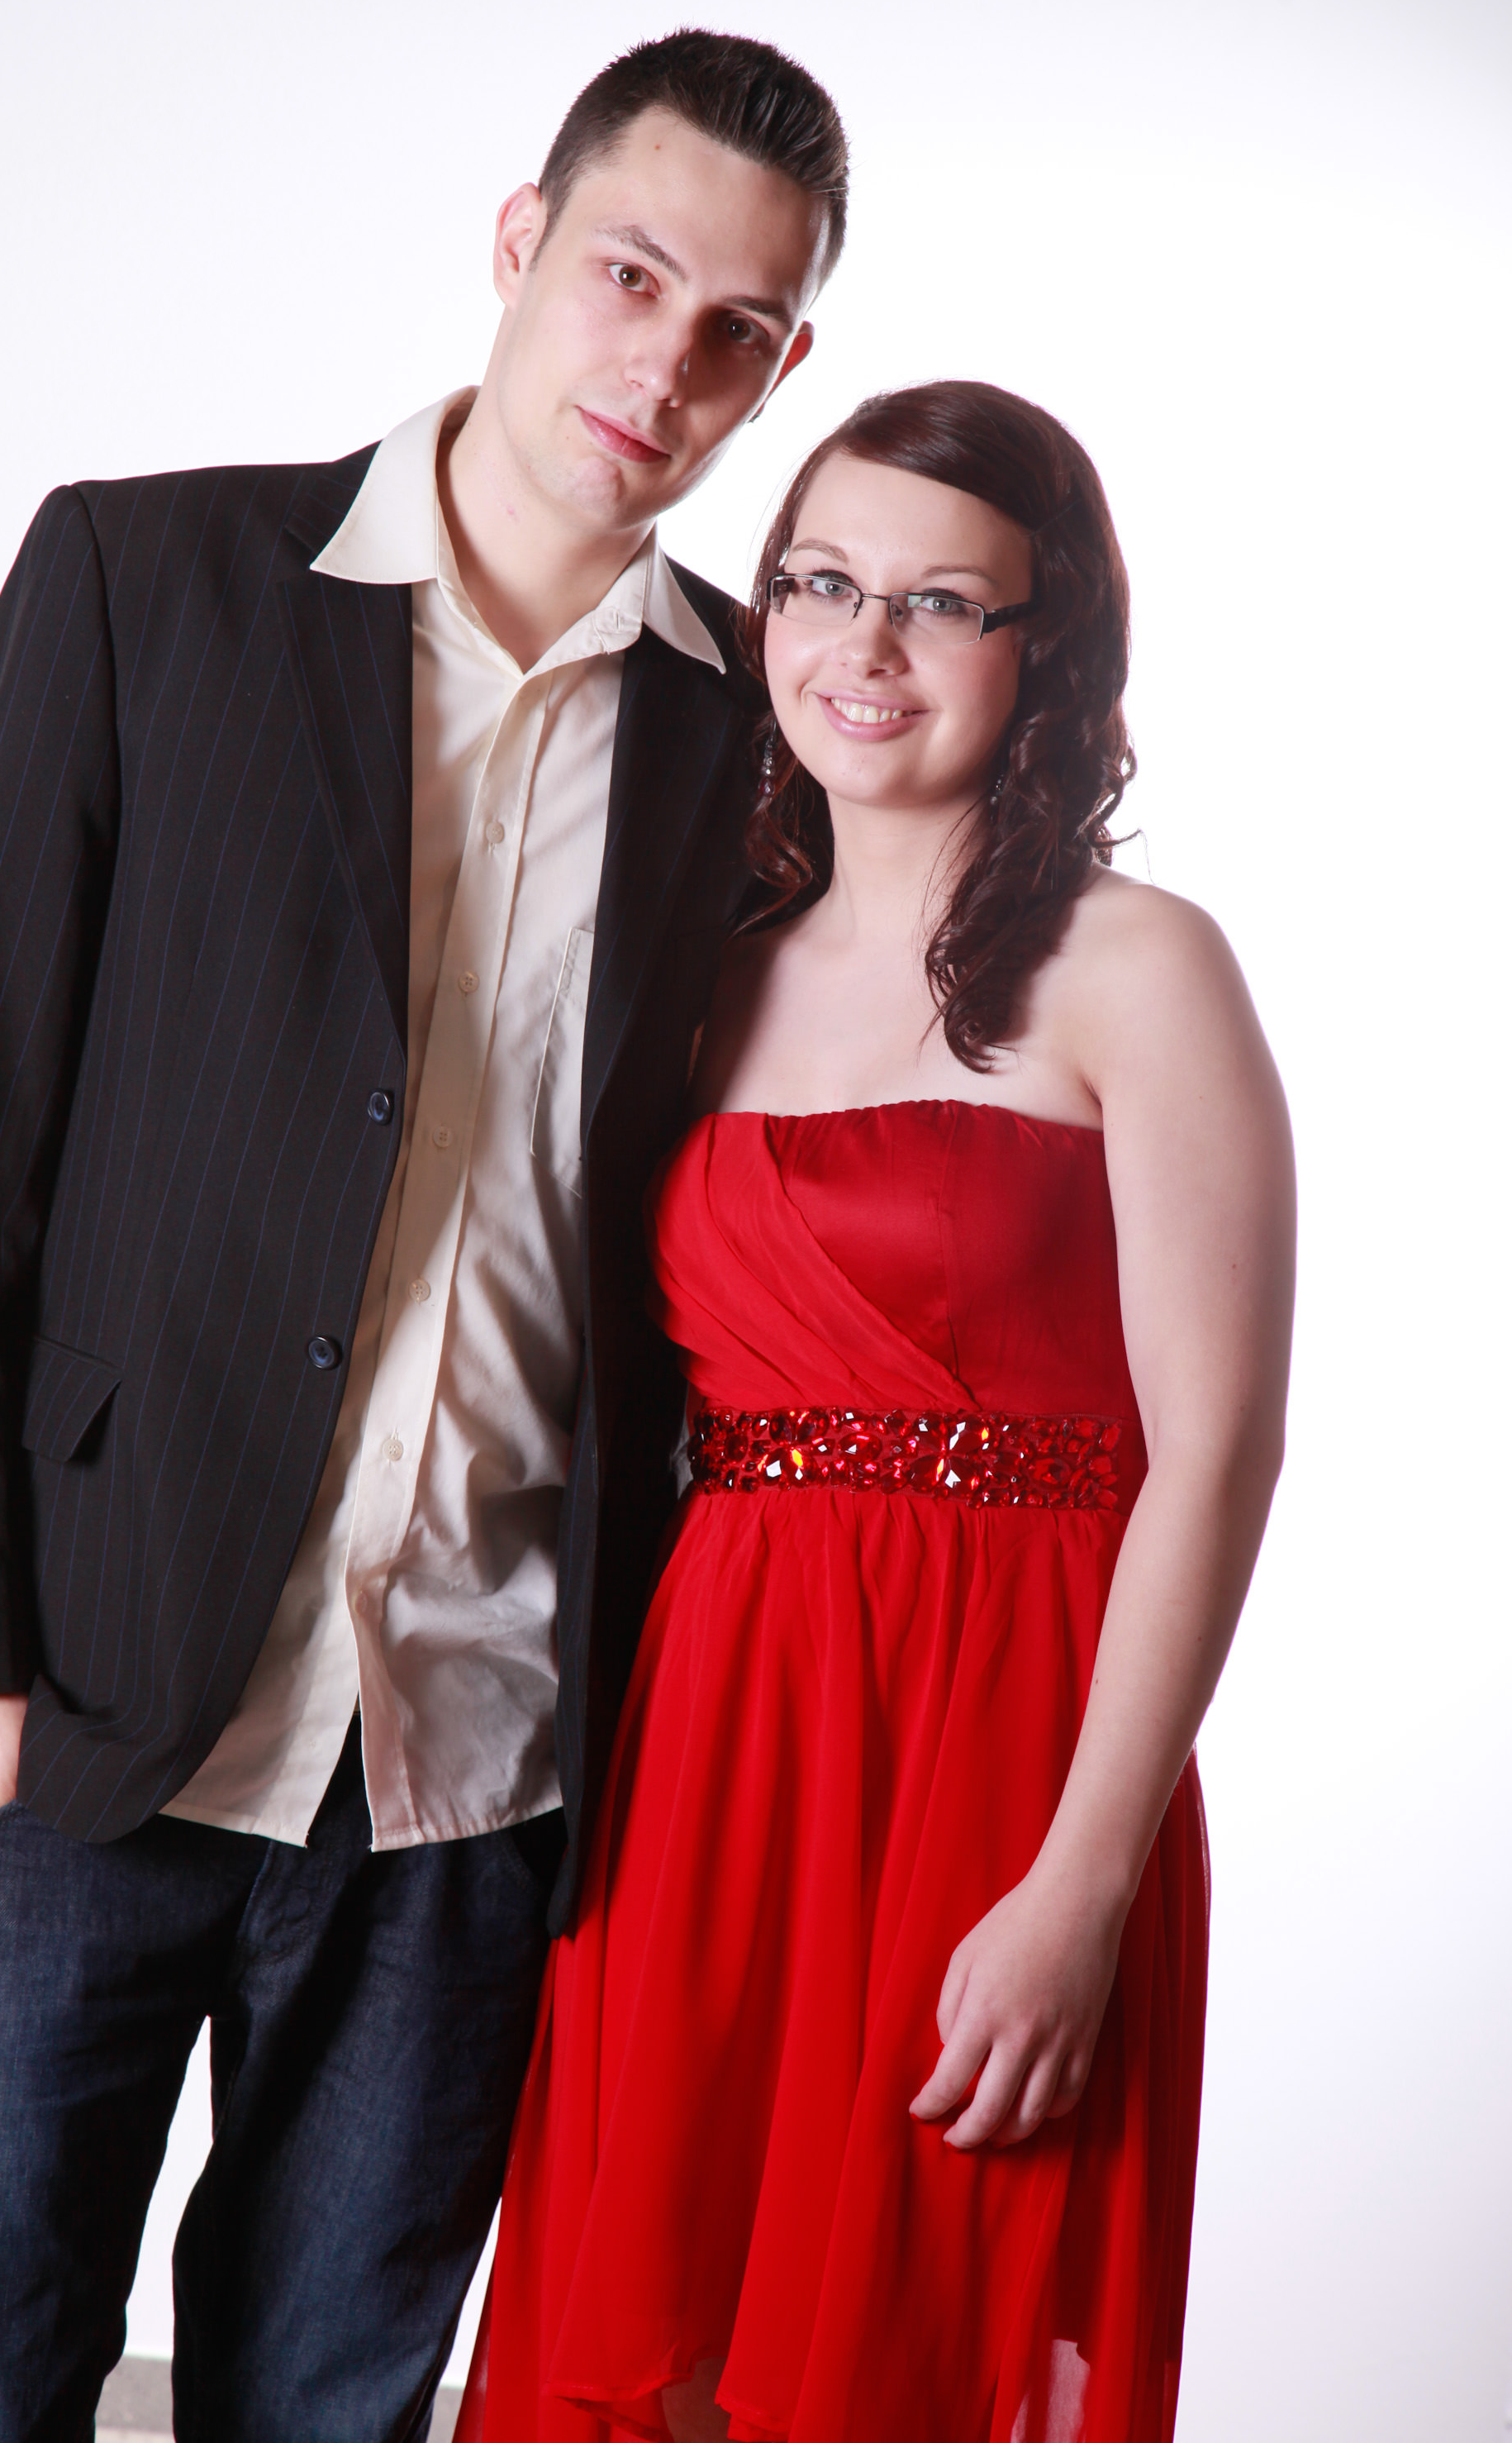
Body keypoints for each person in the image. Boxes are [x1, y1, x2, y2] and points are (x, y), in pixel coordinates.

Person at [0, 31, 848, 2443]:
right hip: (76, 1706)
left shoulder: (753, 744)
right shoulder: (146, 579)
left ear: (784, 371)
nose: (667, 364)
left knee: (331, 2413)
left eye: (739, 330)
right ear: (520, 241)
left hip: (468, 1774)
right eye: (630, 275)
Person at [456, 381, 1296, 2443]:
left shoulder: (1136, 967)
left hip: (1007, 1750)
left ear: (1048, 648)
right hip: (714, 1744)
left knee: (918, 2341)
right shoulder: (697, 969)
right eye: (823, 583)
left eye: (941, 603)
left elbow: (1215, 1453)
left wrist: (1080, 1887)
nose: (866, 647)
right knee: (665, 2353)